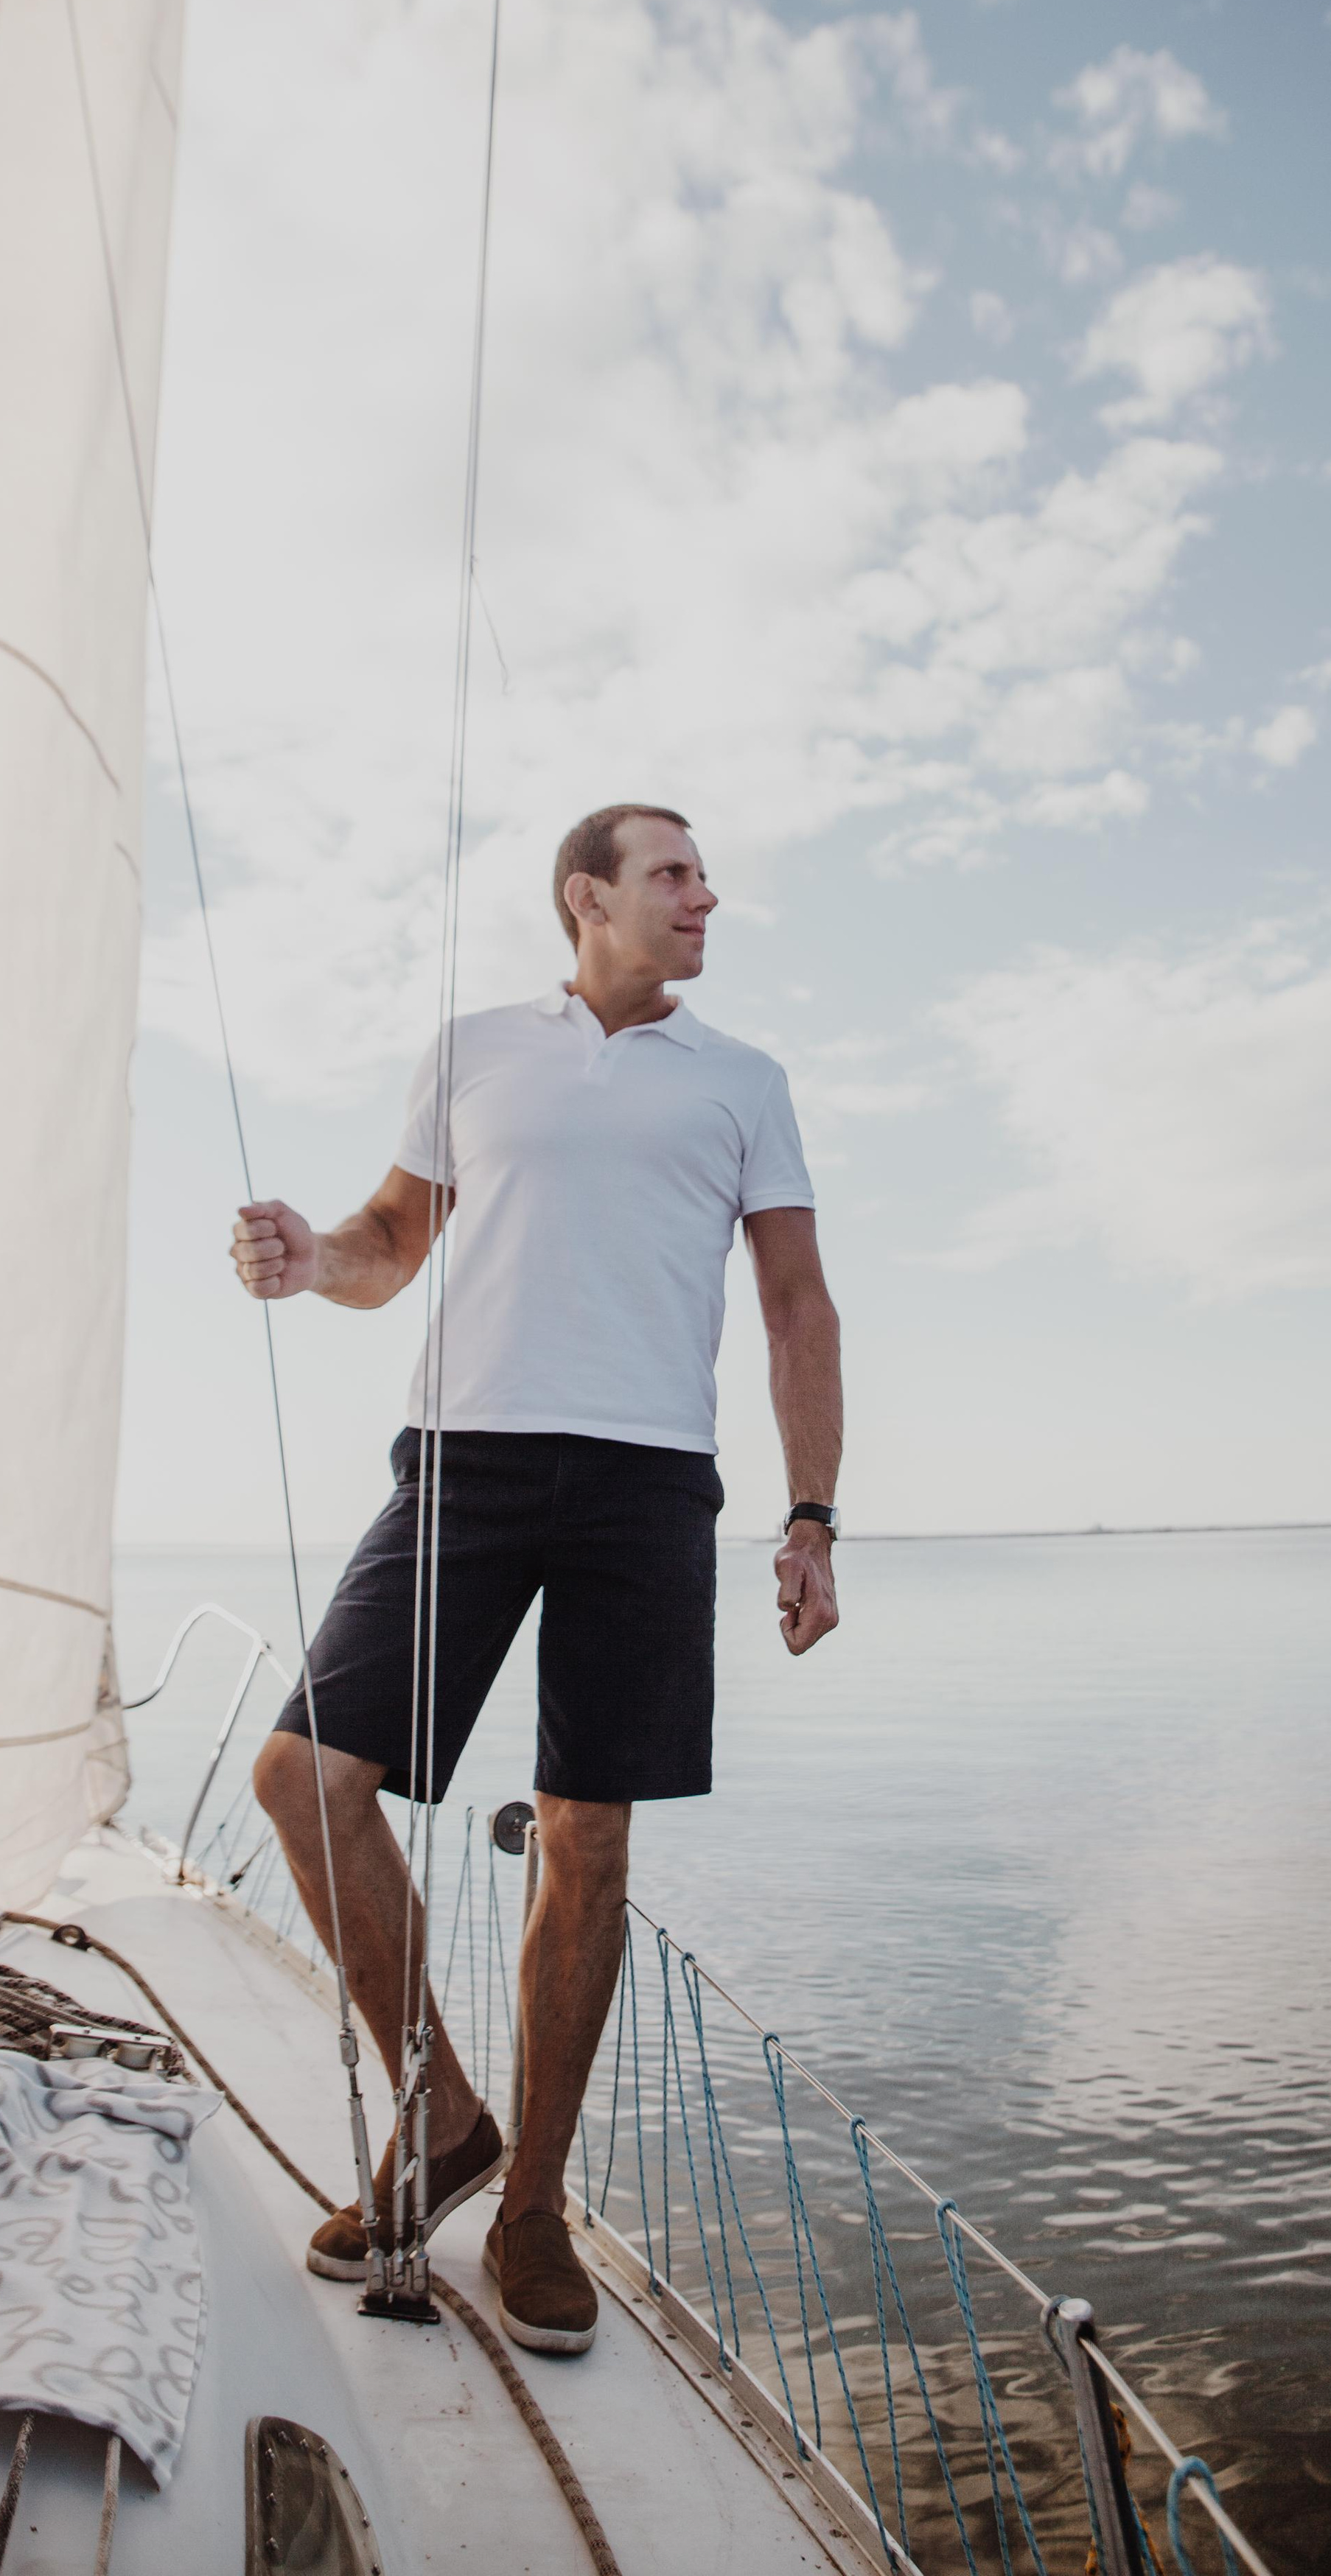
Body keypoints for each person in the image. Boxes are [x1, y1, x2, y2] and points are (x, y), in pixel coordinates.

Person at [232, 803, 842, 2356]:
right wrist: (314, 1259)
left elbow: (792, 1307)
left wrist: (810, 1516)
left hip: (646, 1483)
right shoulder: (474, 1048)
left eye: (699, 878)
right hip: (465, 1462)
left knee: (587, 1837)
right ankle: (438, 2115)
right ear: (588, 897)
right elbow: (388, 1238)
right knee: (305, 1775)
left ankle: (533, 2209)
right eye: (674, 875)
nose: (706, 897)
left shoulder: (743, 1084)